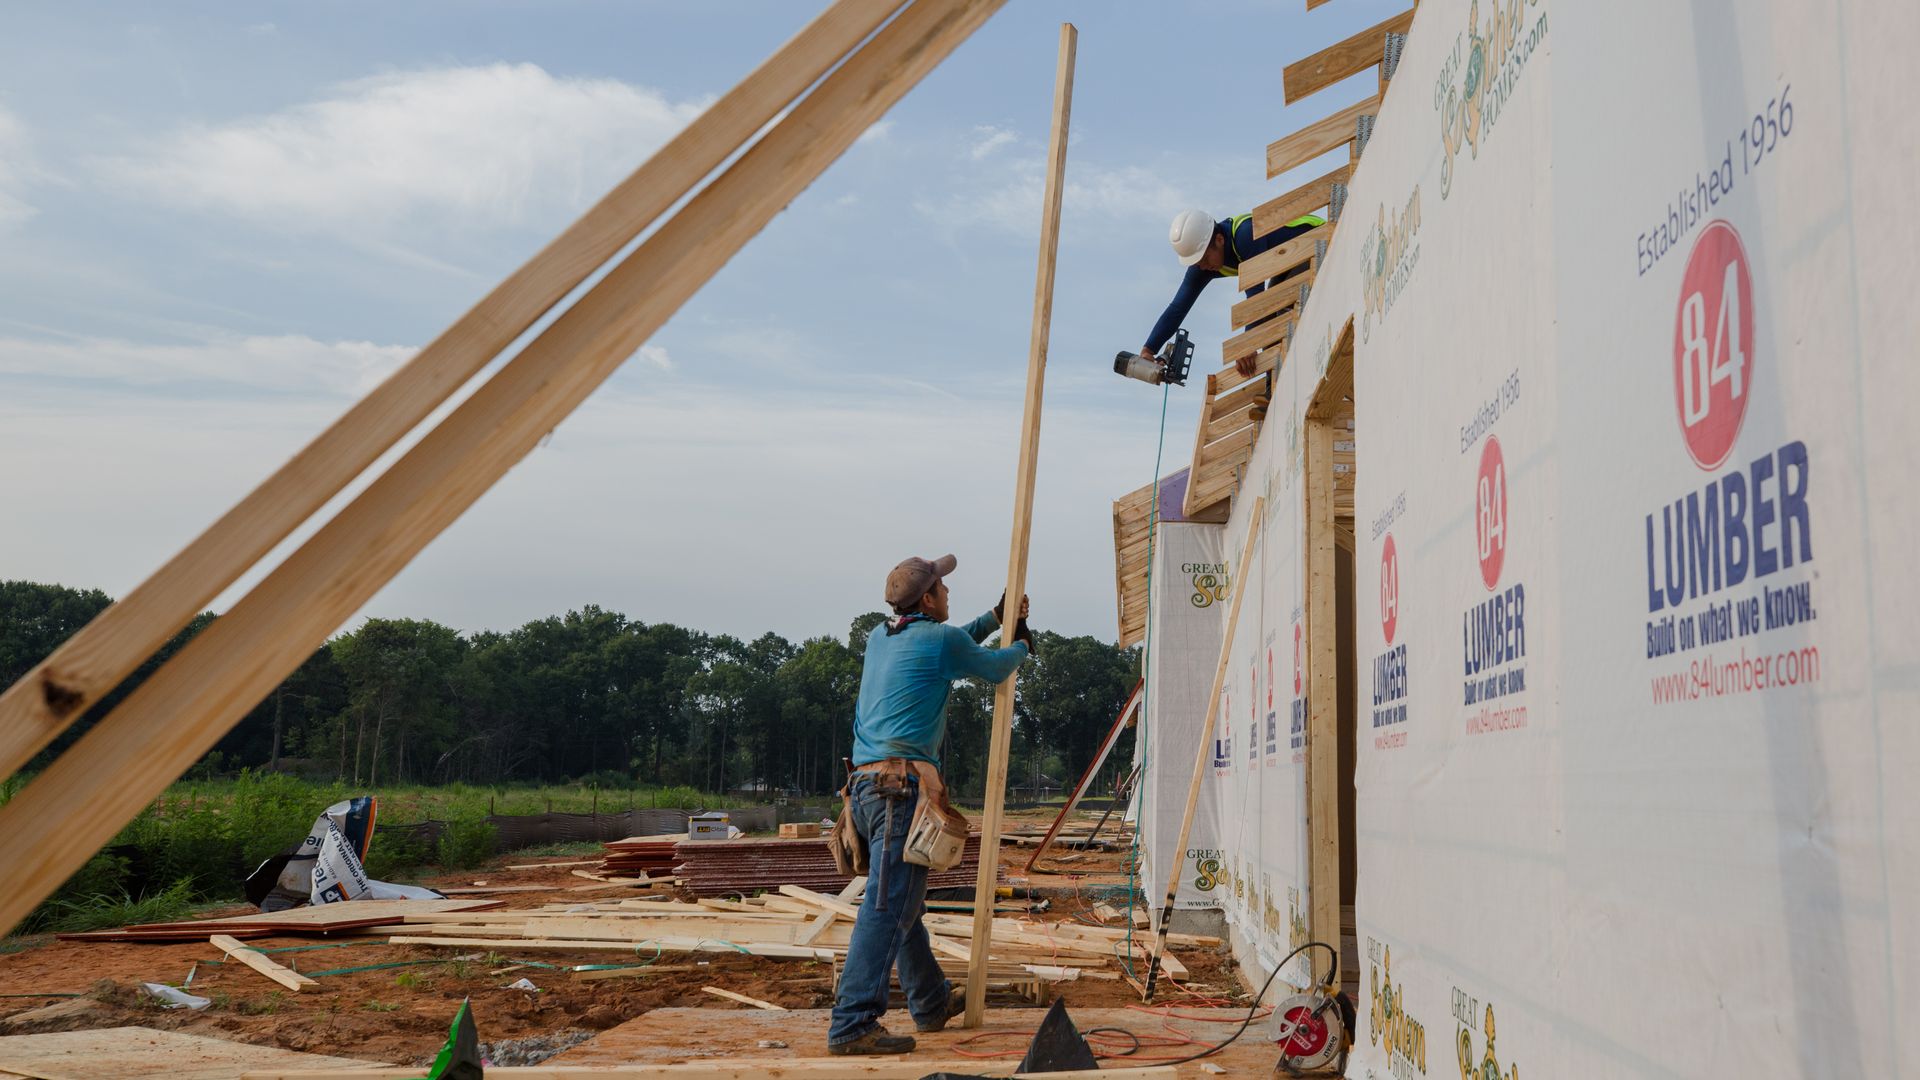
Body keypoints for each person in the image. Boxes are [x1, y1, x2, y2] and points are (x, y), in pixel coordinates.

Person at [827, 554, 1032, 1056]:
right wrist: (1022, 638)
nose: (947, 593)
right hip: (900, 793)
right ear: (927, 599)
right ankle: (852, 1024)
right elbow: (993, 667)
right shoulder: (941, 641)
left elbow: (953, 641)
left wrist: (993, 616)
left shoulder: (882, 637)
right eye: (942, 587)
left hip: (866, 792)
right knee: (886, 909)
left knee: (902, 904)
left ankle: (931, 1000)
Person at [1141, 208, 1325, 378]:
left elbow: (1256, 296)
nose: (1203, 266)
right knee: (1270, 319)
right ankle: (1274, 390)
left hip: (1314, 240)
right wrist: (1149, 349)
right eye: (1197, 263)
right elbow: (1178, 307)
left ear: (1219, 240)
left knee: (1280, 307)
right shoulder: (1203, 266)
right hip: (1286, 262)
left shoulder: (1245, 235)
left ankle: (1294, 375)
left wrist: (1247, 343)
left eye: (1204, 258)